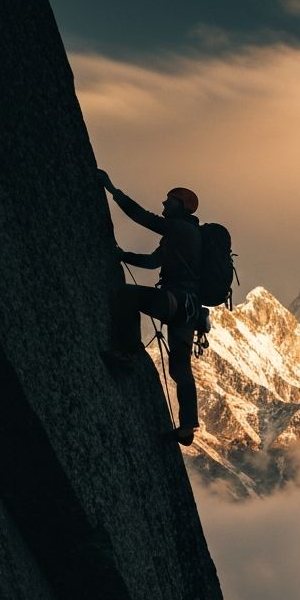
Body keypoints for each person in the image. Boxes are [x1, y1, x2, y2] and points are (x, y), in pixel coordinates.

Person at [96, 168, 202, 446]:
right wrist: (123, 256)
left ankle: (127, 352)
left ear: (181, 207)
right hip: (189, 310)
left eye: (170, 202)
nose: (164, 205)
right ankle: (188, 425)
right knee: (180, 369)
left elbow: (141, 217)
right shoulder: (185, 236)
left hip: (175, 300)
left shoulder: (178, 229)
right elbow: (154, 261)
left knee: (128, 297)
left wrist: (111, 189)